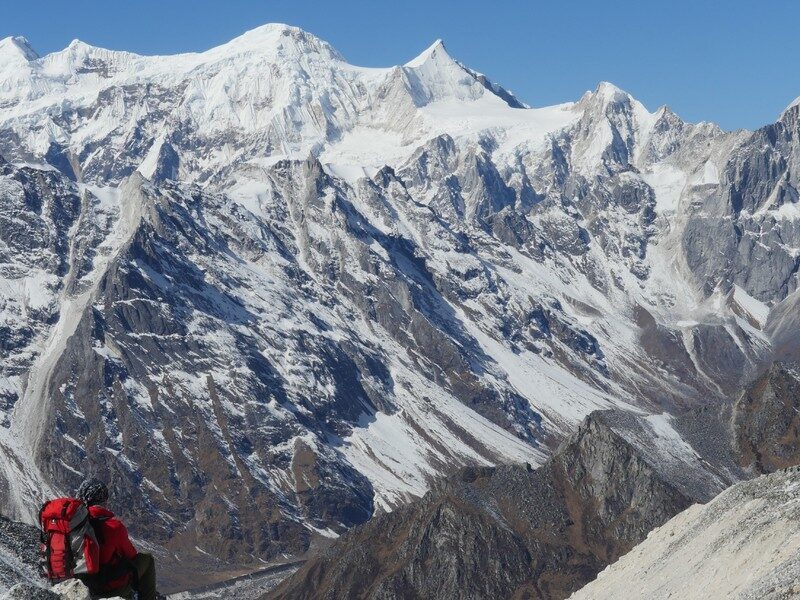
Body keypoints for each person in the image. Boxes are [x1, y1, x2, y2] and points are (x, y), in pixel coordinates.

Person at [75, 478, 159, 600]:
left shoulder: (72, 524)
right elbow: (131, 555)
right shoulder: (114, 526)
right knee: (146, 558)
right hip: (108, 588)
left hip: (80, 585)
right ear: (104, 500)